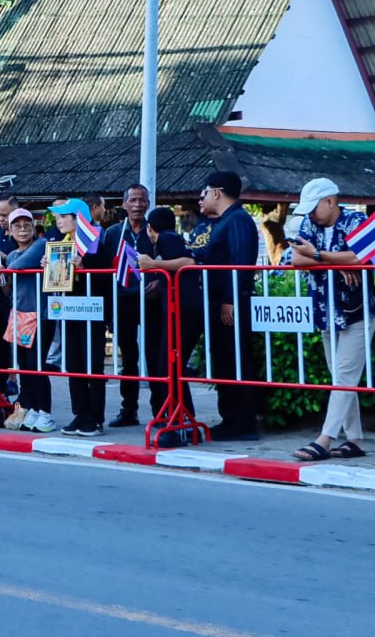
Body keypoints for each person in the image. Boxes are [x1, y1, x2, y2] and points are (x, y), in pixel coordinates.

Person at [288, 178, 371, 460]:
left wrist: (319, 255)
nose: (310, 214)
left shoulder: (357, 221)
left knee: (344, 377)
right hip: (324, 309)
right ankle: (356, 440)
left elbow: (363, 258)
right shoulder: (309, 225)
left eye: (314, 207)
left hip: (357, 310)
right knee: (339, 377)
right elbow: (296, 260)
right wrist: (337, 263)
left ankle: (325, 439)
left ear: (330, 202)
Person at [195, 171, 261, 441]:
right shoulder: (228, 220)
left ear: (217, 192)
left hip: (232, 302)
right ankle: (231, 418)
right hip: (222, 300)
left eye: (206, 192)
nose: (204, 197)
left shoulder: (238, 220)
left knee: (235, 360)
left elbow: (240, 263)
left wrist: (229, 301)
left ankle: (241, 421)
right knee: (224, 360)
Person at [47, 198, 112, 436]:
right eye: (58, 217)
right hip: (67, 309)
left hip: (91, 311)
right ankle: (80, 412)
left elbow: (106, 280)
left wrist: (85, 268)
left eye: (64, 216)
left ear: (78, 219)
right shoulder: (58, 244)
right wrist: (48, 266)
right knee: (73, 362)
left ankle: (95, 416)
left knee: (92, 363)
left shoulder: (97, 246)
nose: (59, 221)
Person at [100, 184, 157, 427]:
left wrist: (159, 283)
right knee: (129, 358)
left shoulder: (155, 231)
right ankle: (129, 410)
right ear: (124, 204)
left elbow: (167, 258)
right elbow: (103, 267)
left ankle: (160, 411)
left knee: (156, 356)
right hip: (122, 300)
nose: (137, 205)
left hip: (151, 300)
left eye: (142, 200)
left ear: (148, 204)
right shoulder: (113, 232)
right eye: (132, 200)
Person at [137, 207, 200, 425]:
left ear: (150, 228)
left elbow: (188, 263)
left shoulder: (165, 238)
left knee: (168, 367)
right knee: (172, 368)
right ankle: (183, 416)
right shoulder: (173, 237)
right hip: (183, 309)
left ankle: (181, 418)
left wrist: (154, 264)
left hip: (185, 310)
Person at [0, 209, 57, 433]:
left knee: (36, 365)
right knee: (24, 367)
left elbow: (19, 266)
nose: (22, 229)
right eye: (17, 226)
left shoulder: (41, 246)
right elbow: (8, 292)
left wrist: (5, 269)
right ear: (10, 230)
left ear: (34, 227)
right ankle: (31, 407)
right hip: (20, 316)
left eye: (26, 225)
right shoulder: (12, 255)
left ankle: (46, 413)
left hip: (40, 315)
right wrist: (2, 278)